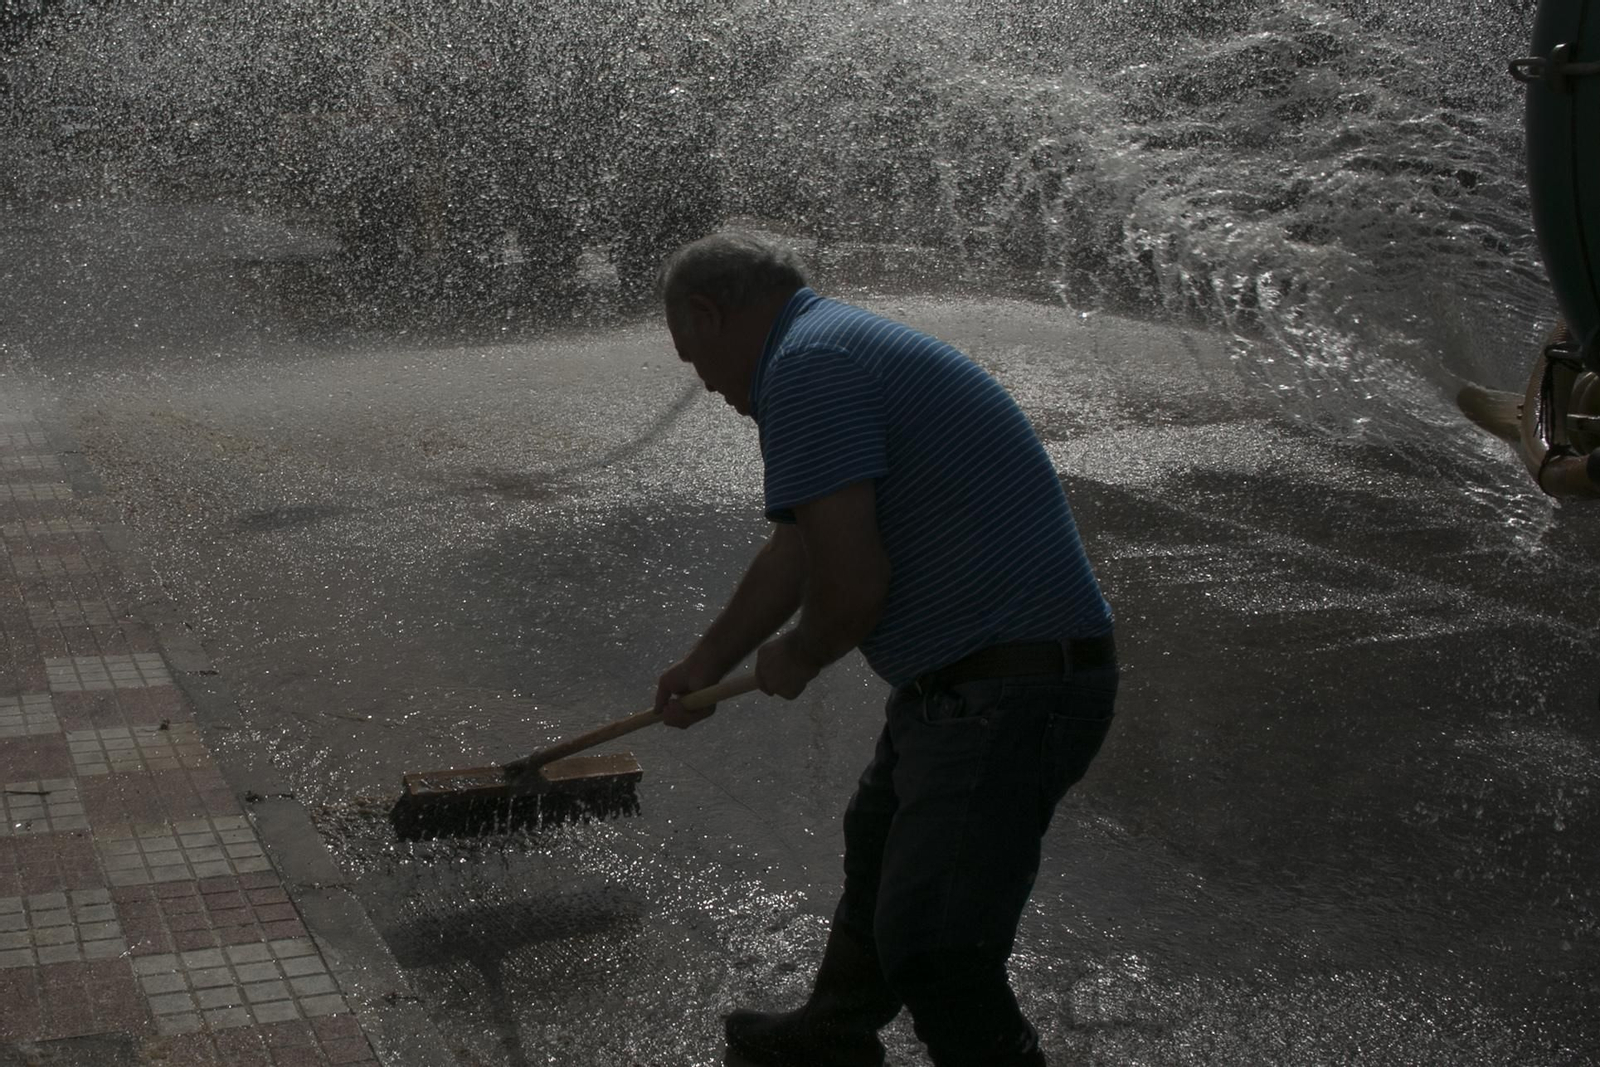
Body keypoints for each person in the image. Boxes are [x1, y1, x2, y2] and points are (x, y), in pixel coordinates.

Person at [652, 232, 1119, 1067]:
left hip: (1012, 687)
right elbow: (801, 548)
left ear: (706, 313)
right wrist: (703, 666)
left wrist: (797, 657)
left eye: (694, 357)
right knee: (879, 856)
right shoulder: (822, 343)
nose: (708, 383)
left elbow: (853, 586)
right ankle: (833, 1032)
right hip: (972, 680)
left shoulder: (807, 366)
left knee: (938, 947)